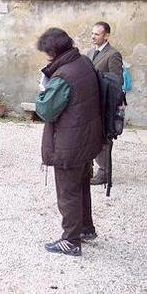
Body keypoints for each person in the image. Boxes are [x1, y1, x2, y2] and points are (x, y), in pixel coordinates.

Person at [35, 28, 103, 256]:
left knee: (68, 192)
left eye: (47, 53)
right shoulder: (83, 61)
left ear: (54, 51)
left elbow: (46, 110)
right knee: (82, 186)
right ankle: (85, 228)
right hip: (86, 138)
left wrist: (43, 89)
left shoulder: (63, 75)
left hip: (69, 142)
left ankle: (71, 240)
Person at [87, 21, 123, 185]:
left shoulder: (113, 54)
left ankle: (105, 172)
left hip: (105, 105)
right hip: (91, 103)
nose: (93, 36)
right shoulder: (89, 52)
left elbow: (116, 82)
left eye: (97, 34)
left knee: (103, 139)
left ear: (106, 35)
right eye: (92, 33)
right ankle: (89, 168)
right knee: (90, 136)